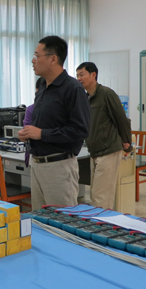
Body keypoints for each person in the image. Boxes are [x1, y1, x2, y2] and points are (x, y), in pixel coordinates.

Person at [18, 36, 90, 210]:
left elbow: (80, 130)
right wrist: (28, 134)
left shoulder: (73, 88)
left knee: (61, 220)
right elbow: (42, 125)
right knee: (39, 219)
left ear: (52, 59)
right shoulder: (43, 87)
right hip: (37, 164)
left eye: (37, 56)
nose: (33, 60)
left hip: (59, 167)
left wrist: (41, 134)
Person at [76, 62, 132, 209]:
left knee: (101, 197)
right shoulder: (86, 98)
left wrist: (127, 142)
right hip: (94, 151)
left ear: (93, 75)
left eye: (82, 74)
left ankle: (103, 222)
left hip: (108, 150)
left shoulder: (107, 94)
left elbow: (122, 119)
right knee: (95, 193)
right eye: (77, 75)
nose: (79, 78)